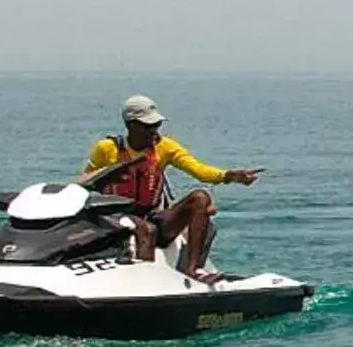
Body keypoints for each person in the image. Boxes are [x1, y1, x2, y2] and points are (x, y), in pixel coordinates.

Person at [83, 95, 261, 282]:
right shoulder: (107, 149)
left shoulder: (164, 147)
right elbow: (84, 183)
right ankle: (143, 282)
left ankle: (193, 270)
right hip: (117, 217)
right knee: (147, 231)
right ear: (131, 125)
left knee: (200, 198)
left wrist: (229, 176)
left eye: (157, 125)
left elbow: (199, 170)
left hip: (152, 216)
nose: (154, 130)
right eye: (147, 126)